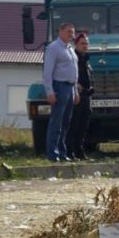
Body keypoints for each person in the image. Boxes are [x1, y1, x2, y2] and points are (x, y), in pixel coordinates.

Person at [42, 23, 80, 162]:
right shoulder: (53, 48)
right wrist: (49, 91)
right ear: (60, 31)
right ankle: (52, 153)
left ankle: (62, 152)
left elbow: (74, 71)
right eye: (69, 32)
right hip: (59, 86)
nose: (71, 35)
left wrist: (75, 91)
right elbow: (47, 72)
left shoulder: (70, 48)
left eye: (73, 32)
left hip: (70, 87)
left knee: (65, 123)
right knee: (56, 122)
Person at [65, 32, 94, 161]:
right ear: (76, 44)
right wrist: (76, 85)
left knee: (83, 126)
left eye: (86, 43)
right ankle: (70, 151)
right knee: (74, 125)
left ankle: (79, 151)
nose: (85, 46)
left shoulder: (85, 59)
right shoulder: (73, 58)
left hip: (87, 96)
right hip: (77, 96)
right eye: (82, 43)